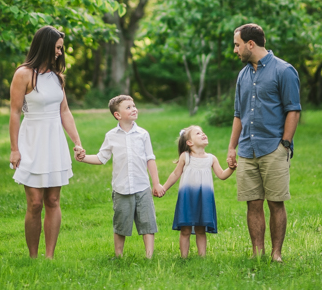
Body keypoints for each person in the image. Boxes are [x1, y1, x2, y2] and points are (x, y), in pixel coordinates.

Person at [227, 23, 301, 262]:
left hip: (273, 148)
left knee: (276, 203)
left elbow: (293, 110)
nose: (235, 51)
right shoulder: (243, 74)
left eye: (237, 45)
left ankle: (276, 254)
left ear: (251, 44)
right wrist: (232, 147)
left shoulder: (284, 70)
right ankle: (257, 253)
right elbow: (239, 113)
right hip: (248, 149)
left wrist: (285, 144)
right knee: (253, 203)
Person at [9, 25, 85, 259]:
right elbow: (14, 113)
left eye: (61, 48)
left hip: (54, 142)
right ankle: (33, 256)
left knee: (53, 200)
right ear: (45, 46)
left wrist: (77, 142)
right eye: (58, 48)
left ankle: (49, 257)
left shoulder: (57, 77)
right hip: (32, 141)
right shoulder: (23, 74)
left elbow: (65, 112)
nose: (60, 53)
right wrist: (14, 149)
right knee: (34, 203)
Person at [76, 95, 163, 258]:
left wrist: (156, 184)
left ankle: (149, 256)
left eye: (134, 106)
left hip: (142, 186)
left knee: (148, 223)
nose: (134, 109)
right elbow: (101, 158)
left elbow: (150, 159)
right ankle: (118, 256)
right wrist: (83, 158)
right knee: (121, 224)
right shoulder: (111, 136)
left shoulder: (143, 134)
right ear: (118, 115)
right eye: (128, 107)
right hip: (121, 188)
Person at [161, 125, 234, 258]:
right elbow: (175, 174)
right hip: (187, 198)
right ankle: (183, 257)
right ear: (189, 142)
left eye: (203, 132)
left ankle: (202, 257)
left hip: (204, 199)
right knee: (185, 229)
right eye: (198, 133)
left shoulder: (211, 158)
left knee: (201, 229)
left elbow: (222, 175)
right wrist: (163, 188)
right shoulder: (186, 156)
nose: (203, 134)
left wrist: (231, 168)